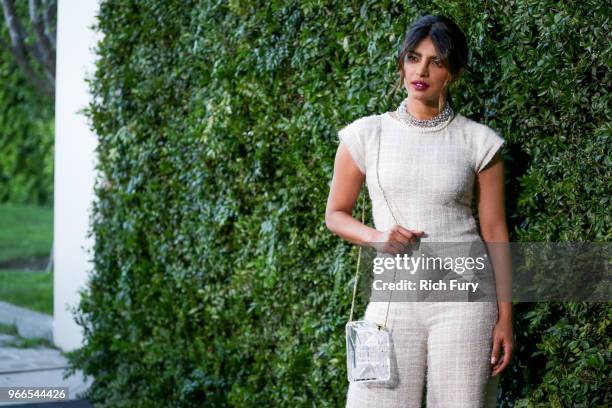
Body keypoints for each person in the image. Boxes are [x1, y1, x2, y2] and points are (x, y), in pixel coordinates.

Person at [325, 14, 515, 407]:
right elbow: (336, 214)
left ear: (454, 72)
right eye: (414, 57)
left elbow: (495, 232)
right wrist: (379, 236)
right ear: (402, 62)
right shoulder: (366, 134)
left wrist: (505, 317)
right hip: (392, 299)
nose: (421, 70)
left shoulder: (479, 142)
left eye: (436, 61)